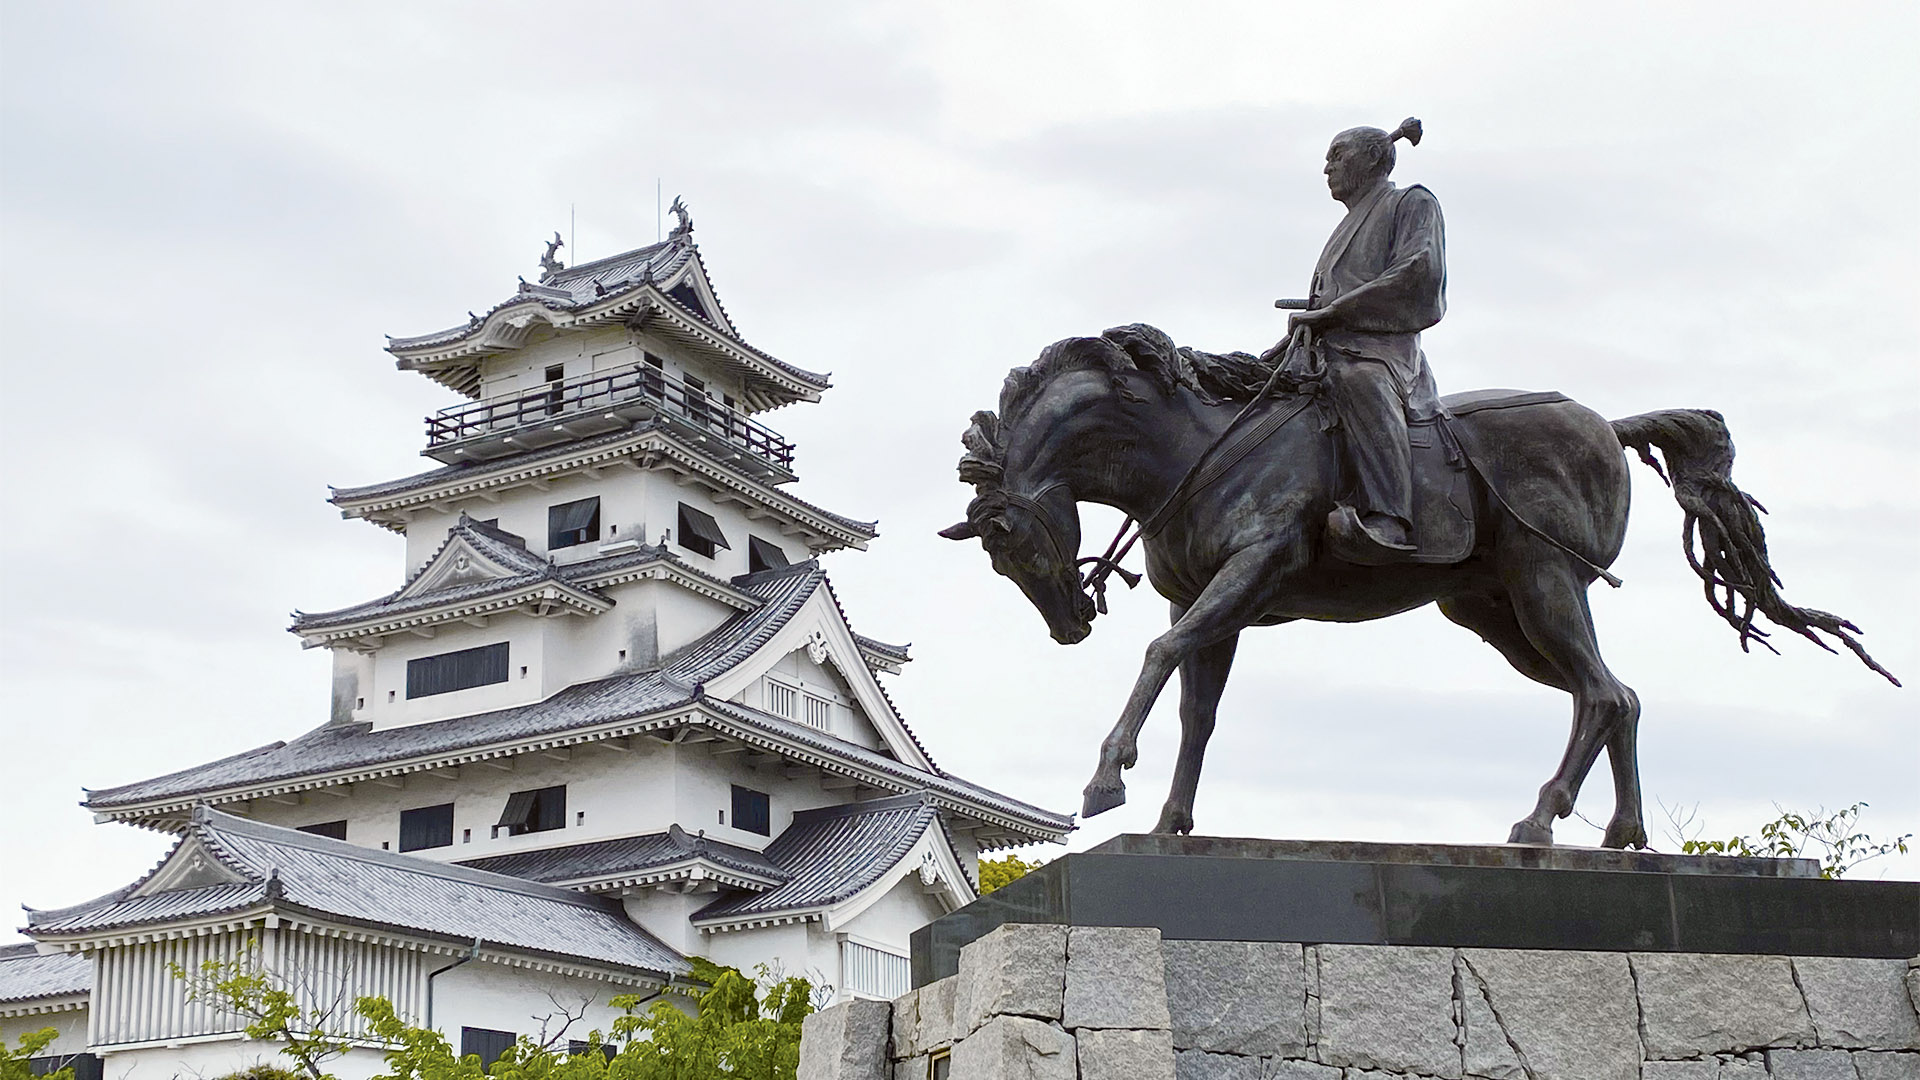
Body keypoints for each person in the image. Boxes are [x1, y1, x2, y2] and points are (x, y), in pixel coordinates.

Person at [1286, 117, 1445, 563]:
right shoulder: (1345, 227)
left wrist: (1336, 310)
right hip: (1323, 350)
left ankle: (1389, 516)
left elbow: (1418, 272)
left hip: (1382, 354)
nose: (1327, 169)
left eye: (1336, 155)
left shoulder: (1412, 203)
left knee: (1360, 383)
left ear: (1373, 157)